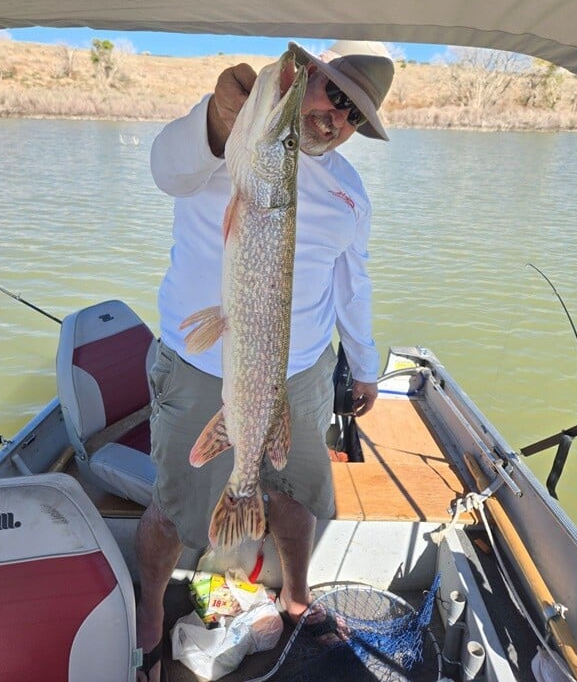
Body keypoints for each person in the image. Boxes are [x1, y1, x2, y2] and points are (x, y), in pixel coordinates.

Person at [135, 40, 394, 681]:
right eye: (332, 91)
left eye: (353, 115)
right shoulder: (229, 146)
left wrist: (364, 365)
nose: (335, 117)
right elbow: (166, 169)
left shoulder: (351, 194)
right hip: (199, 368)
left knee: (298, 495)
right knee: (174, 504)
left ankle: (297, 596)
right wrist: (216, 123)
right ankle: (147, 615)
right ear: (307, 78)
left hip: (303, 369)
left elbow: (350, 286)